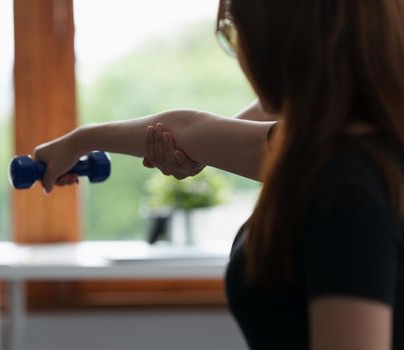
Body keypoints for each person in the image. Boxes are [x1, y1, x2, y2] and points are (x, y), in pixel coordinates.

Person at [33, 0, 404, 349]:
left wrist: (82, 140)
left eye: (236, 36)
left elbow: (189, 127)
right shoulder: (345, 149)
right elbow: (192, 131)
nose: (242, 57)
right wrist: (83, 141)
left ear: (283, 42)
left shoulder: (344, 184)